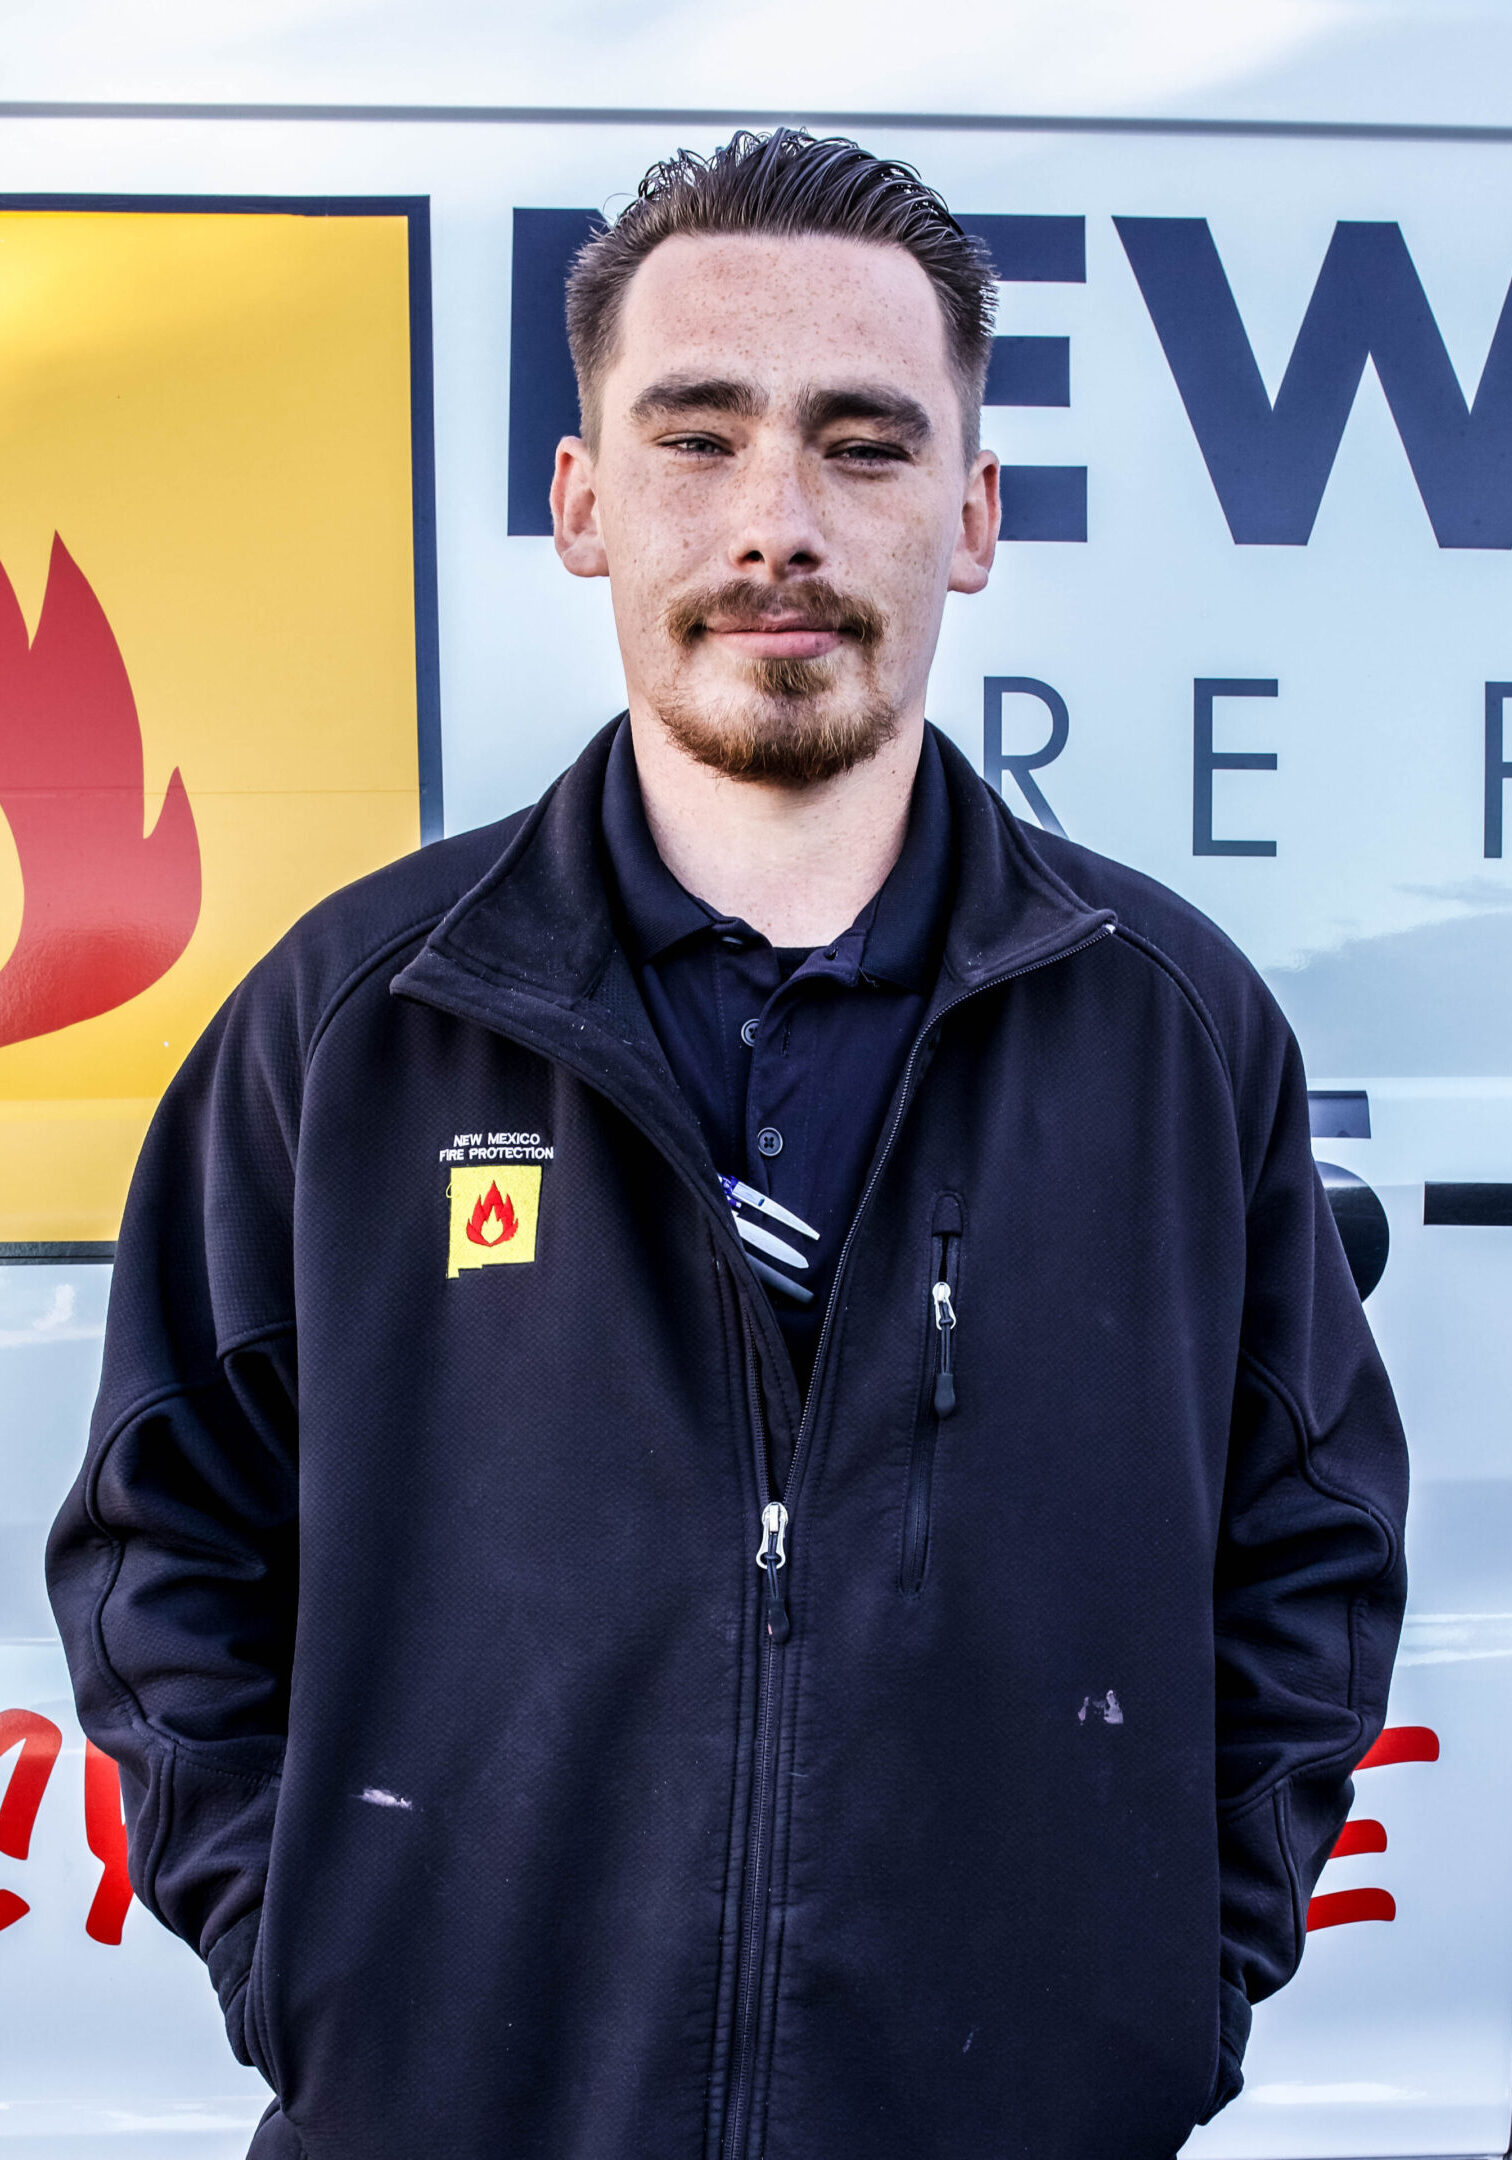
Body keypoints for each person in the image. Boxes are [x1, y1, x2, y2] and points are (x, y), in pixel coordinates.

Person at [46, 129, 1409, 2160]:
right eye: (702, 437)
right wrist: (327, 1971)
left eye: (864, 444)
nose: (780, 520)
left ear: (974, 514)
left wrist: (1157, 2001)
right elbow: (165, 1549)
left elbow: (1308, 1561)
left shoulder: (1176, 1032)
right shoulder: (352, 1026)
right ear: (584, 503)